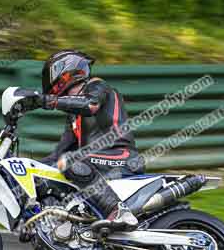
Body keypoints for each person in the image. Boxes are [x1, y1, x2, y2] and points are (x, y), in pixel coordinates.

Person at [24, 50, 144, 229]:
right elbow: (57, 155)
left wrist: (46, 101)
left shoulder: (98, 86)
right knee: (56, 166)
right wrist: (29, 169)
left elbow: (90, 105)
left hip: (122, 156)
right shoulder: (74, 115)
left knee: (70, 161)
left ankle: (119, 211)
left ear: (66, 71)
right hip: (95, 161)